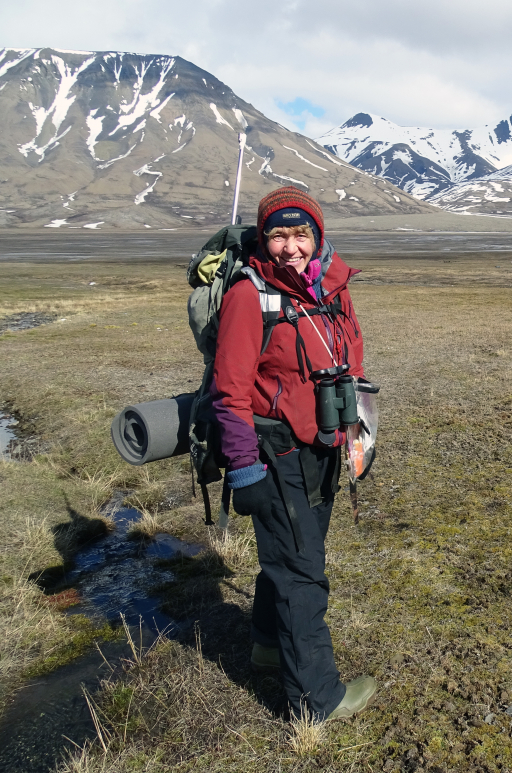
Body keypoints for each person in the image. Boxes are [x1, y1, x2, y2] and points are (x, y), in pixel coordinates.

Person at [210, 185, 376, 721]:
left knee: (289, 559)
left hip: (324, 446)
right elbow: (229, 391)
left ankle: (264, 645)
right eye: (277, 235)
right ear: (264, 239)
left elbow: (351, 363)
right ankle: (316, 702)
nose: (290, 247)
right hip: (273, 450)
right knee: (302, 573)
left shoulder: (333, 286)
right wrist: (243, 469)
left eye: (300, 233)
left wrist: (353, 433)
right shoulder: (247, 295)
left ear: (317, 236)